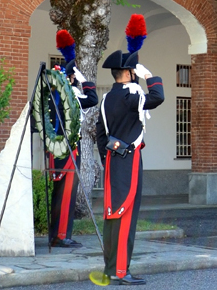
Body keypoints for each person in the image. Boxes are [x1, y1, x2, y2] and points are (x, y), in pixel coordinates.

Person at [95, 49, 164, 285]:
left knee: (112, 216)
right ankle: (122, 271)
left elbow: (100, 136)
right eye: (133, 71)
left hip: (113, 160)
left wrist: (109, 160)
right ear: (126, 73)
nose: (135, 74)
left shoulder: (106, 99)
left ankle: (110, 268)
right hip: (129, 161)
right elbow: (157, 97)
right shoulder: (129, 97)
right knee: (125, 215)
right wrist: (150, 77)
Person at [48, 58, 99, 248]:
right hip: (69, 150)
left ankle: (56, 234)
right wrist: (85, 81)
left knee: (58, 194)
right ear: (71, 78)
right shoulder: (70, 94)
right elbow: (93, 99)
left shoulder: (53, 95)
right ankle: (61, 235)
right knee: (66, 194)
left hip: (56, 150)